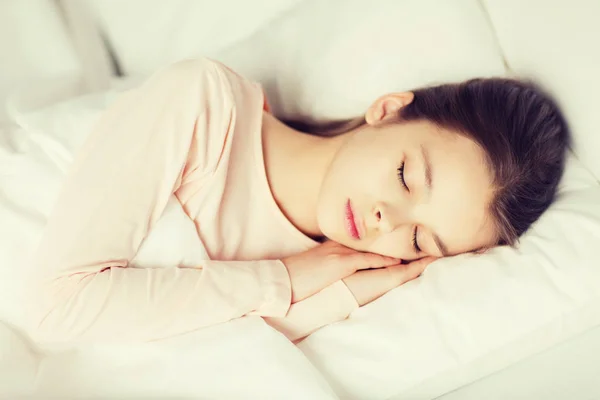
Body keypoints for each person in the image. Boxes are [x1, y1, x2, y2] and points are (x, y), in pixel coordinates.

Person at [26, 57, 569, 344]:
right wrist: (285, 279)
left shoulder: (339, 290)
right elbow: (57, 305)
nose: (387, 221)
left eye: (419, 238)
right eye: (405, 175)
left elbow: (184, 352)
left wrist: (330, 297)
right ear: (388, 109)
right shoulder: (206, 106)